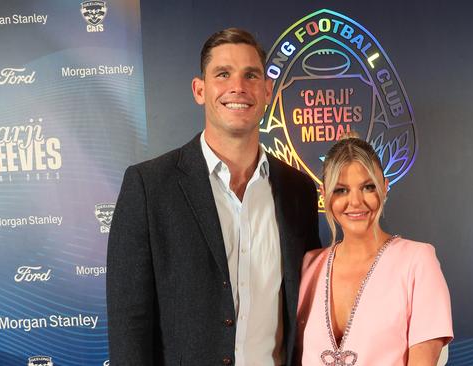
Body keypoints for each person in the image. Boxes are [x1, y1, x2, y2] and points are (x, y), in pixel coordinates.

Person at [106, 28, 321, 366]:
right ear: (200, 90)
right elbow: (128, 323)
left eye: (251, 75)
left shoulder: (299, 191)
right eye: (223, 74)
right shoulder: (149, 186)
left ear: (267, 91)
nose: (238, 87)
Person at [296, 133, 453, 365]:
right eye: (341, 190)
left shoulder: (418, 261)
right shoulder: (310, 265)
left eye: (368, 187)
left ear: (385, 187)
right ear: (325, 195)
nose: (356, 201)